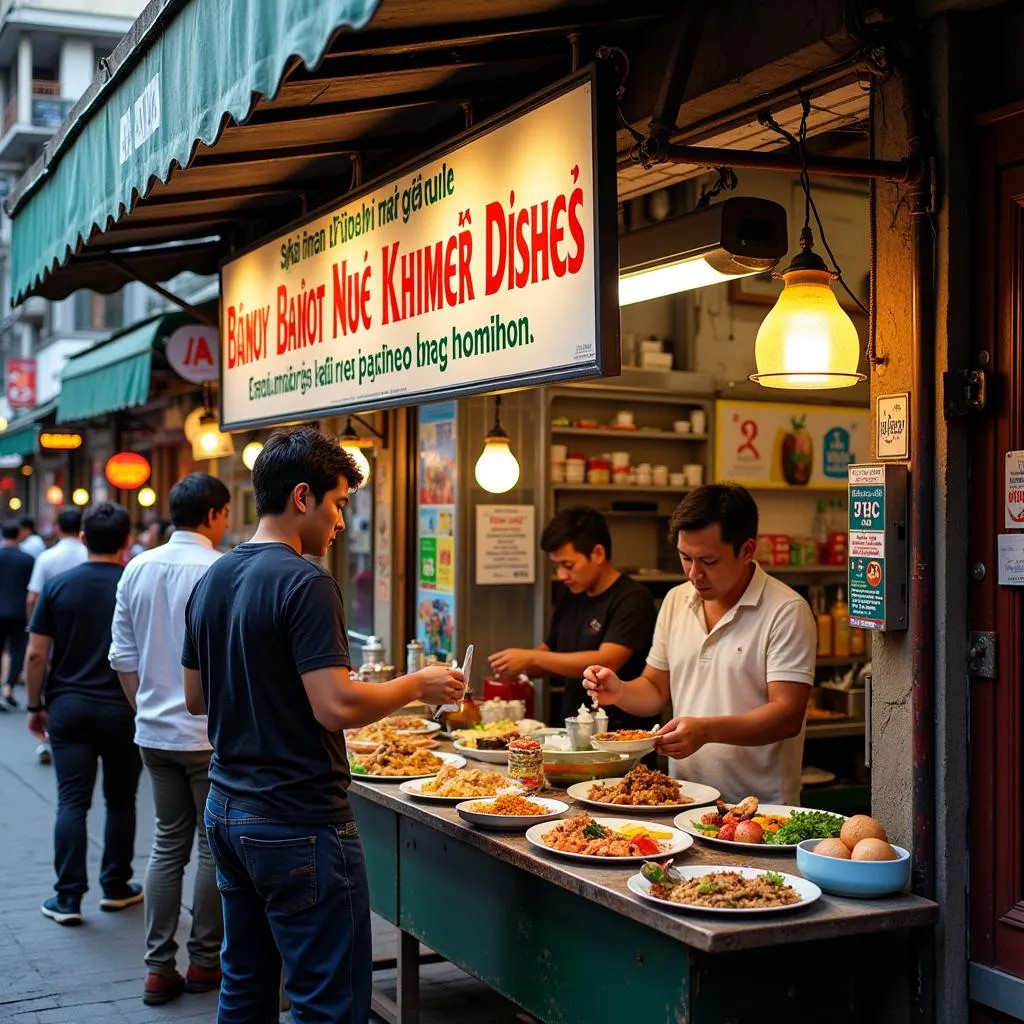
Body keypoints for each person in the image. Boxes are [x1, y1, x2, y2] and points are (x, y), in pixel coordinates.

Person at [183, 428, 464, 1023]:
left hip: (228, 810)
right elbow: (334, 707)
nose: (340, 522)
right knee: (325, 1003)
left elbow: (195, 696)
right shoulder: (305, 581)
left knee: (244, 985)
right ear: (303, 497)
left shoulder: (212, 578)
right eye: (338, 503)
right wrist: (417, 684)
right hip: (298, 819)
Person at [583, 484, 816, 805]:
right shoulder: (677, 600)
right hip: (683, 799)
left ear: (747, 550)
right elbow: (654, 688)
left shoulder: (786, 611)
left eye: (708, 560)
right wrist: (620, 691)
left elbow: (787, 715)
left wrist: (706, 731)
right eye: (685, 558)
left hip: (760, 809)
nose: (695, 573)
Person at [110, 474, 230, 1005]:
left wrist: (145, 710)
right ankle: (205, 962)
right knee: (210, 848)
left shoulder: (137, 566)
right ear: (213, 516)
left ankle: (159, 969)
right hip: (208, 735)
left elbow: (122, 656)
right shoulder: (220, 569)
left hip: (153, 734)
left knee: (166, 844)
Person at [25, 502, 144, 926]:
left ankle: (68, 897)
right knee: (121, 799)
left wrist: (35, 704)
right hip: (122, 709)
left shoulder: (59, 585)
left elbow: (37, 653)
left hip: (68, 707)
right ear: (127, 541)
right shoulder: (134, 583)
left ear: (83, 539)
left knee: (71, 801)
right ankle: (115, 886)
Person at [489, 506, 658, 730]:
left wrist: (531, 658)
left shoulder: (632, 599)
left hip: (618, 733)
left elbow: (607, 661)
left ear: (598, 553)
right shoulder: (573, 595)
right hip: (573, 728)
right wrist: (515, 666)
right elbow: (551, 652)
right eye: (556, 566)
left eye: (568, 565)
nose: (561, 575)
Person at [26, 508, 87, 619]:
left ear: (57, 528)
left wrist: (33, 626)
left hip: (53, 619)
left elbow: (32, 598)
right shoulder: (89, 555)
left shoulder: (46, 557)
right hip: (86, 617)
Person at [0, 520, 35, 709]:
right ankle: (9, 688)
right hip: (19, 611)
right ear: (19, 534)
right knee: (17, 650)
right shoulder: (27, 559)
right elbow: (32, 590)